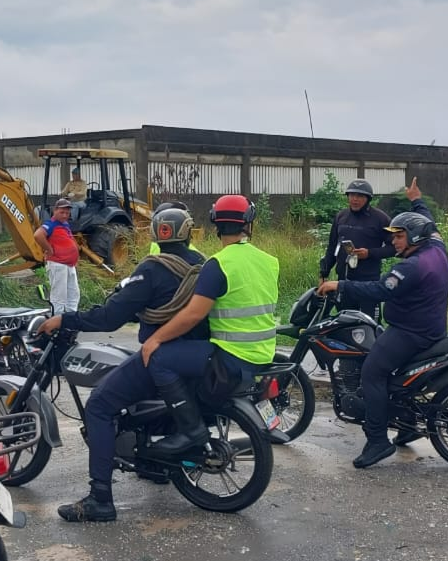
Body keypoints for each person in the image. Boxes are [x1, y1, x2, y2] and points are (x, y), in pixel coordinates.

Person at [39, 206, 208, 522]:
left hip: (161, 356)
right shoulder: (201, 266)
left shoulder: (152, 269)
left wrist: (64, 318)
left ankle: (100, 497)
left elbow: (109, 317)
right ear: (188, 231)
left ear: (157, 233)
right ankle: (157, 466)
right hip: (195, 356)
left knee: (100, 405)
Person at [140, 194, 279, 456]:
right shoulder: (271, 261)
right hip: (265, 354)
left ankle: (189, 430)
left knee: (159, 357)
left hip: (231, 358)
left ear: (215, 224)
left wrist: (155, 339)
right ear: (248, 223)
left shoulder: (217, 265)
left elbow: (193, 315)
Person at [318, 203, 448, 468]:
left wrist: (339, 284)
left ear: (414, 237)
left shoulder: (411, 267)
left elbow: (379, 290)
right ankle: (408, 425)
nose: (393, 240)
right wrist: (418, 203)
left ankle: (377, 440)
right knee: (394, 376)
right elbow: (431, 226)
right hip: (432, 327)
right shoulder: (437, 248)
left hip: (411, 332)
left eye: (399, 235)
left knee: (372, 372)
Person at [318, 179, 396, 318]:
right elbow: (331, 248)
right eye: (352, 195)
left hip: (368, 283)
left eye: (360, 196)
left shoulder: (381, 219)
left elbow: (395, 248)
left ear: (368, 199)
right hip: (343, 282)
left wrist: (369, 253)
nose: (355, 199)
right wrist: (323, 273)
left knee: (369, 325)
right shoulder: (341, 217)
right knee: (345, 323)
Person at [35, 198, 80, 314]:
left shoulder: (64, 224)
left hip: (69, 265)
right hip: (58, 264)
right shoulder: (51, 224)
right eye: (62, 212)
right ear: (55, 211)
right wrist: (49, 249)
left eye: (67, 213)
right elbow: (38, 235)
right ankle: (56, 321)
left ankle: (71, 319)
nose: (65, 215)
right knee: (59, 296)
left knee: (73, 294)